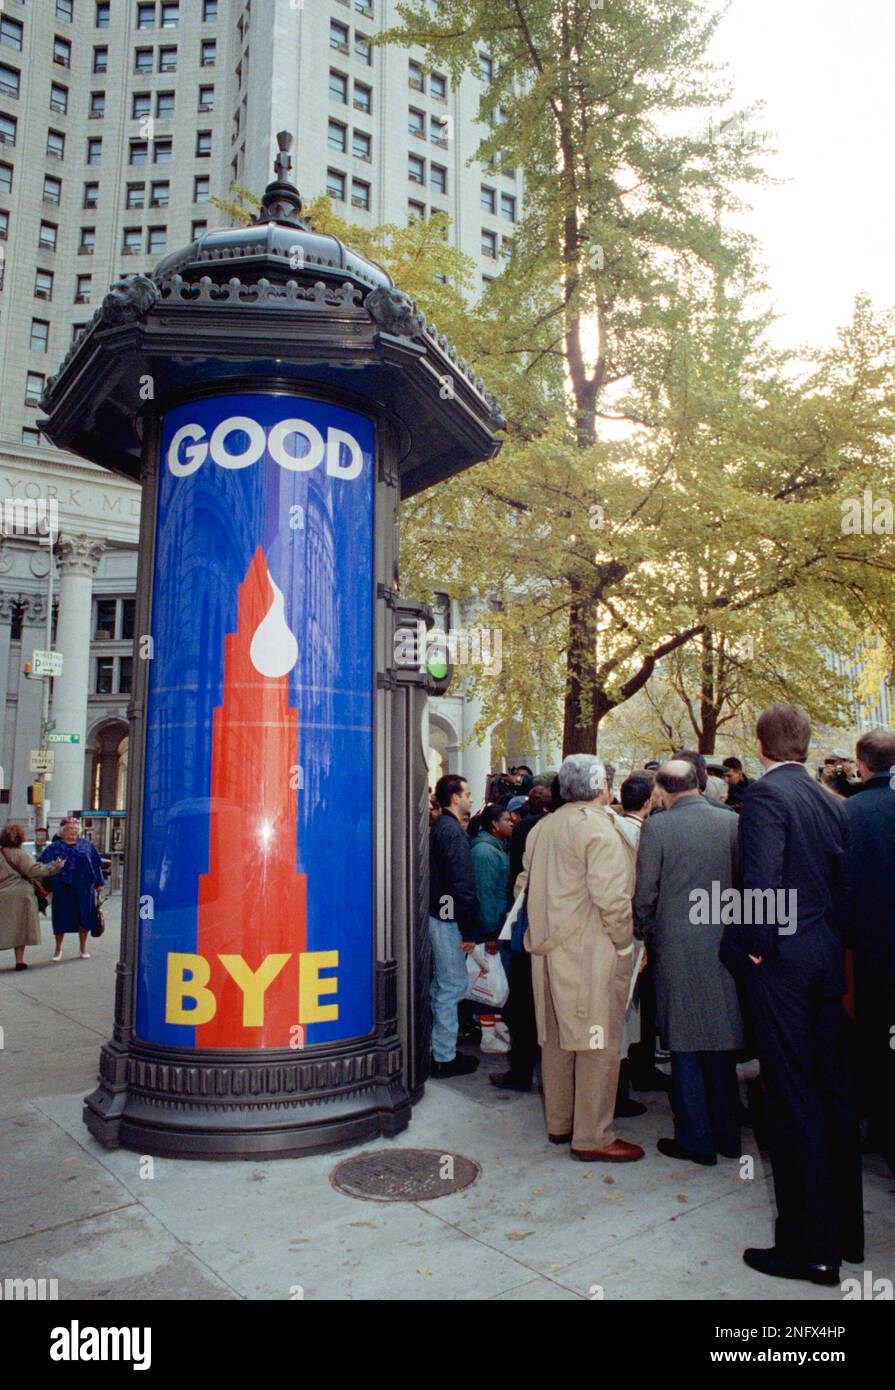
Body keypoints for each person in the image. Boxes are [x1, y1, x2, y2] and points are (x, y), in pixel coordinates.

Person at [721, 704, 863, 1286]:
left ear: (760, 745)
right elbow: (842, 888)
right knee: (831, 1096)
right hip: (825, 959)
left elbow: (760, 883)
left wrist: (754, 946)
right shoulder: (832, 801)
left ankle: (810, 1249)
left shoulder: (765, 800)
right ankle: (845, 1235)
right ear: (805, 746)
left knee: (793, 1101)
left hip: (785, 968)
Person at [517, 754, 644, 1162]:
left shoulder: (542, 828)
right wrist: (626, 945)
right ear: (601, 787)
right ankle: (593, 1137)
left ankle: (560, 1123)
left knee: (554, 1039)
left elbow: (522, 885)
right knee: (597, 1044)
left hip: (548, 953)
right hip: (591, 956)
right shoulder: (599, 831)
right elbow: (613, 900)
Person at [634, 761, 743, 1165]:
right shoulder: (730, 821)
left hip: (677, 943)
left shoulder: (659, 827)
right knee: (719, 1035)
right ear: (699, 784)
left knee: (683, 1042)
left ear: (662, 789)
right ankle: (728, 1136)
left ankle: (696, 1140)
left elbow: (646, 890)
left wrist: (643, 932)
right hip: (723, 940)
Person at [844, 727, 895, 1176]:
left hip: (867, 943)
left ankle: (876, 1120)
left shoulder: (851, 813)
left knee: (872, 1037)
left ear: (861, 763)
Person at [491, 785, 553, 1093]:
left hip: (526, 924)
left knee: (523, 1004)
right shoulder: (542, 828)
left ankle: (521, 1070)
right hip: (547, 929)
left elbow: (519, 881)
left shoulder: (527, 829)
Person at [428, 774, 480, 1078]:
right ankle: (444, 1057)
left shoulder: (441, 829)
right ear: (455, 797)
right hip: (447, 919)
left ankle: (439, 1048)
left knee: (443, 985)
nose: (471, 799)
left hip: (441, 915)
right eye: (468, 794)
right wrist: (469, 928)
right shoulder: (451, 832)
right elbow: (461, 884)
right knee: (452, 985)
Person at [470, 802, 514, 1055]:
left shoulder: (495, 849)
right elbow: (486, 896)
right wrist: (490, 933)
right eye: (507, 820)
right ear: (494, 824)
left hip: (497, 925)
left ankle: (494, 1025)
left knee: (496, 978)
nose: (511, 823)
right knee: (488, 979)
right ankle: (487, 1034)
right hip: (491, 928)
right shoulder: (486, 853)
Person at [39, 817, 104, 961]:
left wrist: (100, 883)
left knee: (85, 919)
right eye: (69, 829)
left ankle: (83, 948)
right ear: (62, 832)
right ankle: (58, 949)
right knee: (61, 919)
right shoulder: (54, 847)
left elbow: (96, 865)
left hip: (85, 889)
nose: (72, 832)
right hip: (63, 889)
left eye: (75, 829)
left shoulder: (87, 845)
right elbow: (42, 866)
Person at [0, 824, 63, 970]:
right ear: (20, 839)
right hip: (21, 896)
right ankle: (19, 961)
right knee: (20, 928)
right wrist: (55, 866)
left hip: (1, 895)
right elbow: (34, 870)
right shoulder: (21, 854)